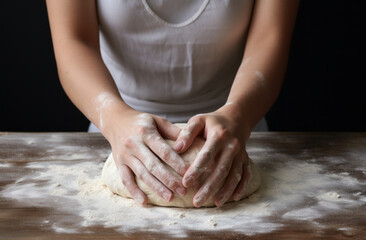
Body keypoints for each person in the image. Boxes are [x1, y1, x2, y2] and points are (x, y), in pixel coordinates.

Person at [46, 0, 299, 207]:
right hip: (116, 136)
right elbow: (73, 38)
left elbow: (270, 36)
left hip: (237, 132)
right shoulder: (116, 126)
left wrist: (238, 116)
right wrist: (115, 119)